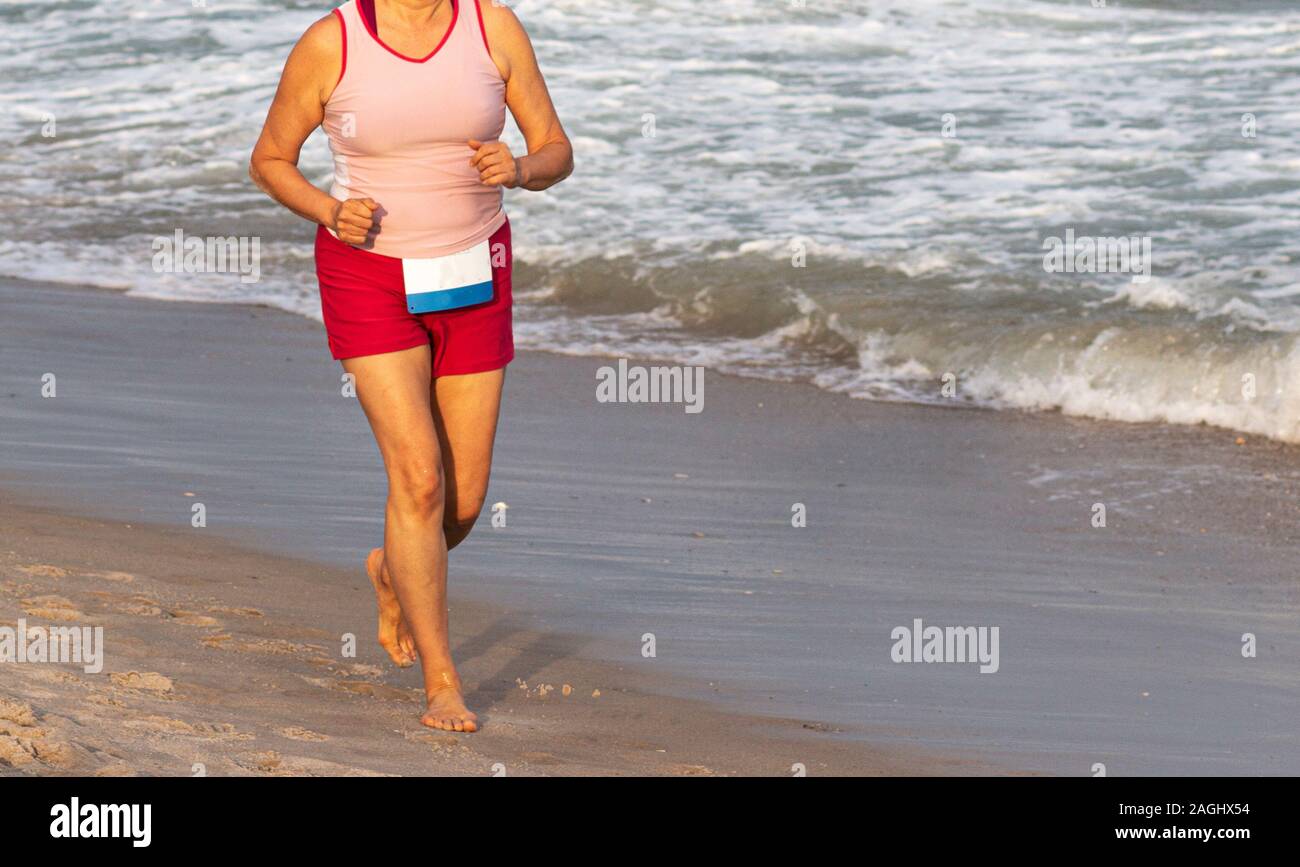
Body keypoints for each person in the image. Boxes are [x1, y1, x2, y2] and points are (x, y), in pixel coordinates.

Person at [249, 0, 573, 732]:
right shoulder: (332, 42)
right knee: (419, 479)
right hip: (369, 275)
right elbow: (269, 158)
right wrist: (329, 210)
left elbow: (558, 149)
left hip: (475, 270)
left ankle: (395, 569)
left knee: (462, 502)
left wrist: (520, 168)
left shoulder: (493, 27)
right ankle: (442, 681)